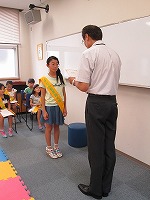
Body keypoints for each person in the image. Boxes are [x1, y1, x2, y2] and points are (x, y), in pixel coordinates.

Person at [68, 25, 121, 199]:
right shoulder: (114, 54)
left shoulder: (89, 53)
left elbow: (84, 86)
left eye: (83, 39)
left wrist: (73, 81)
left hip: (96, 103)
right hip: (112, 104)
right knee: (108, 146)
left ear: (87, 36)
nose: (84, 42)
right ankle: (106, 187)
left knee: (96, 148)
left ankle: (96, 190)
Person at [39, 56, 67, 159]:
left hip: (59, 106)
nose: (55, 66)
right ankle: (49, 148)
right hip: (49, 107)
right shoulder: (44, 79)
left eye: (57, 64)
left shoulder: (61, 78)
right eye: (53, 64)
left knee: (57, 127)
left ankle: (56, 146)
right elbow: (42, 96)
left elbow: (64, 94)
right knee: (49, 127)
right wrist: (43, 110)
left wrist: (65, 107)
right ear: (48, 65)